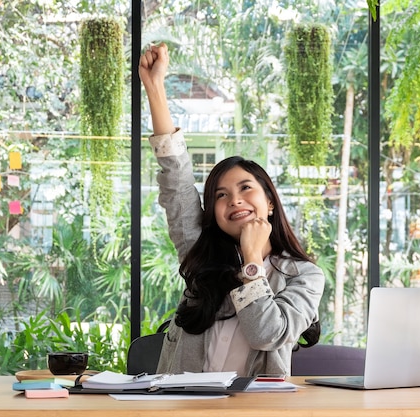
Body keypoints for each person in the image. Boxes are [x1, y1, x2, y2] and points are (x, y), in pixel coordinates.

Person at [139, 43, 325, 377]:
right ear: (214, 213)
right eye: (221, 196)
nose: (234, 200)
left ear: (270, 201)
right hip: (181, 408)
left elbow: (266, 334)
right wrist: (154, 86)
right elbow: (177, 182)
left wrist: (252, 261)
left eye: (245, 188)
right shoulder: (201, 255)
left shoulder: (305, 276)